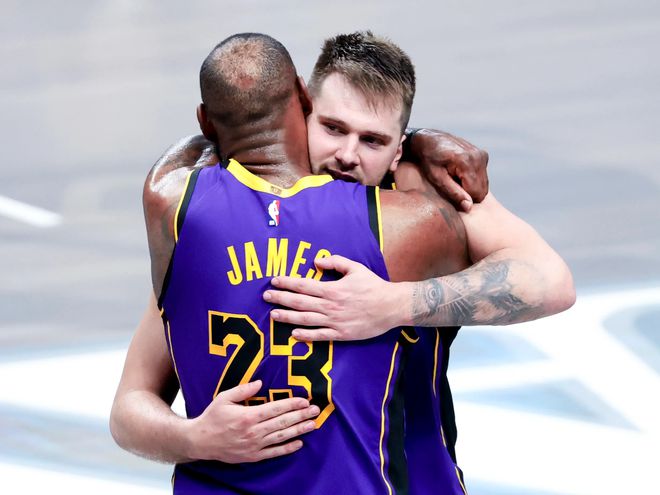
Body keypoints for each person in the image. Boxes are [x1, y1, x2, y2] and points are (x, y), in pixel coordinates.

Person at [110, 32, 574, 494]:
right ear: (302, 108)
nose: (348, 156)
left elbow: (551, 282)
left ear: (397, 149)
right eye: (333, 128)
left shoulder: (422, 195)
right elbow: (129, 406)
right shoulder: (209, 221)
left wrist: (393, 304)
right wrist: (194, 438)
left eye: (373, 140)